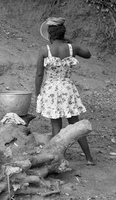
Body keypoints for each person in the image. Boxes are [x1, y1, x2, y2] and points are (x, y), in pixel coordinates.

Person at [35, 17, 95, 165]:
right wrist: (69, 42)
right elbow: (88, 54)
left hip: (51, 90)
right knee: (75, 124)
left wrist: (37, 93)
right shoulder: (71, 48)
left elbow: (39, 74)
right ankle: (89, 158)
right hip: (68, 89)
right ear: (63, 33)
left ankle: (57, 158)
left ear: (50, 34)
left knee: (56, 125)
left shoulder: (45, 50)